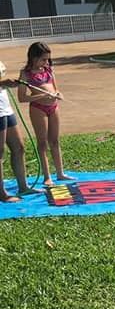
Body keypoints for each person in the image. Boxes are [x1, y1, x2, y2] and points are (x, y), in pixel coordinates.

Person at [17, 41, 74, 187]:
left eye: (48, 59)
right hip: (38, 109)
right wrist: (41, 96)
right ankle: (47, 176)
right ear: (33, 57)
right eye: (43, 59)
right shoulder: (25, 73)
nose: (46, 62)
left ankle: (60, 173)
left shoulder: (48, 70)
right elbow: (22, 98)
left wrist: (58, 94)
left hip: (53, 107)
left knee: (54, 141)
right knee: (42, 143)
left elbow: (56, 88)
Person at [0, 60, 40, 202]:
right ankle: (2, 193)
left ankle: (23, 186)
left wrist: (8, 82)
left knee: (19, 147)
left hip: (5, 108)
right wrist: (3, 83)